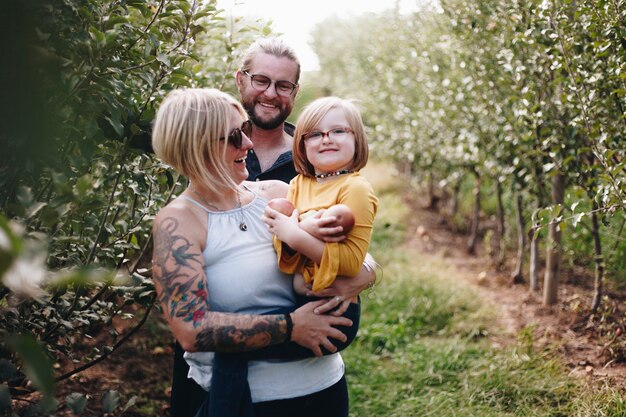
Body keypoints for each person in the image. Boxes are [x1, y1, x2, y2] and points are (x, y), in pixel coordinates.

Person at [168, 37, 377, 417]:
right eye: (261, 80)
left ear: (295, 92)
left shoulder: (305, 165)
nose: (270, 93)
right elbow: (189, 324)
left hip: (317, 386)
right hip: (228, 386)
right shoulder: (182, 211)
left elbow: (346, 237)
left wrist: (367, 272)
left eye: (283, 85)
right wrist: (290, 326)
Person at [265, 96, 378, 296]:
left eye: (338, 131)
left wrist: (295, 234)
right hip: (297, 300)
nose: (327, 139)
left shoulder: (355, 188)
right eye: (315, 134)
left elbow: (351, 264)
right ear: (302, 144)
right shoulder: (298, 184)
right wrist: (298, 231)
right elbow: (283, 247)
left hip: (334, 304)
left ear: (357, 138)